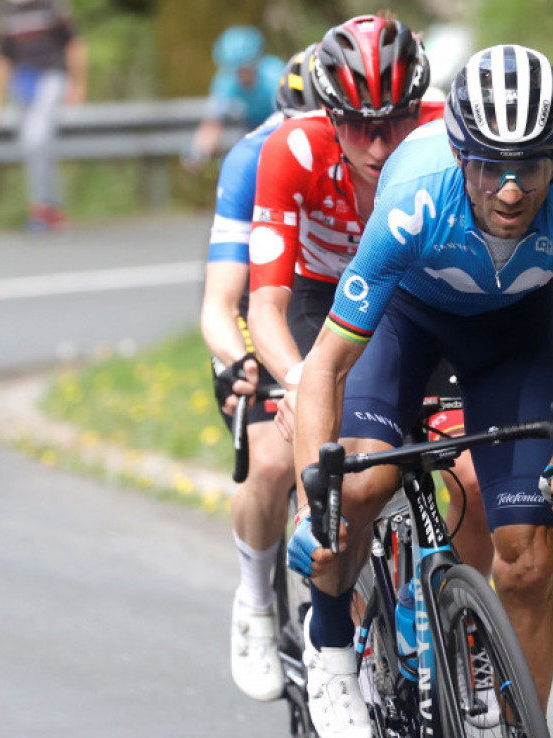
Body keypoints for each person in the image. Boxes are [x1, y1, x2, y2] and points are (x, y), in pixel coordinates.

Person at [287, 43, 553, 738]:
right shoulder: (410, 202)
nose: (512, 191)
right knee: (364, 480)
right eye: (491, 170)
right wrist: (314, 494)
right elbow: (325, 365)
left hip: (514, 340)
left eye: (532, 169)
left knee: (528, 562)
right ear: (460, 153)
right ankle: (331, 635)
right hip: (406, 323)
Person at [242, 13, 492, 699]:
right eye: (356, 124)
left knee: (470, 474)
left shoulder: (453, 132)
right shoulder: (290, 152)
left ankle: (467, 631)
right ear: (329, 114)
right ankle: (333, 643)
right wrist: (297, 382)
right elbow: (266, 303)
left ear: (421, 107)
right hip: (320, 301)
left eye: (397, 121)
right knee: (355, 475)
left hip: (415, 301)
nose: (380, 145)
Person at [201, 44, 320, 702]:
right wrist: (238, 359)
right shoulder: (252, 159)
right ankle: (254, 600)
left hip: (338, 306)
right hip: (266, 310)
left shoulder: (375, 148)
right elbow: (221, 302)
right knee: (272, 463)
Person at [0, 0, 88, 232]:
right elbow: (2, 58)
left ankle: (41, 207)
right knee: (31, 148)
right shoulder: (5, 11)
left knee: (36, 138)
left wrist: (78, 84)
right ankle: (49, 207)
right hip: (22, 81)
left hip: (51, 77)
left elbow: (74, 44)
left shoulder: (51, 7)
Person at [186, 25, 284, 170]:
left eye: (245, 70)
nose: (241, 76)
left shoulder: (275, 75)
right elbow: (213, 123)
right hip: (251, 131)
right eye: (236, 71)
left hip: (280, 128)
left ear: (255, 63)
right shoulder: (225, 82)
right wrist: (197, 153)